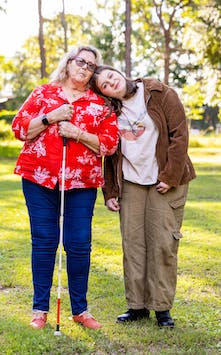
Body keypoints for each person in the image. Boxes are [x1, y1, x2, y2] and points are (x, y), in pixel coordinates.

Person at [12, 47, 119, 330]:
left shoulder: (100, 104)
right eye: (80, 62)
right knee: (45, 241)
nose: (85, 68)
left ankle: (81, 311)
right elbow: (20, 128)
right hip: (38, 178)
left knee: (79, 244)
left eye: (91, 66)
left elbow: (109, 144)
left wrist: (78, 134)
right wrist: (52, 116)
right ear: (69, 63)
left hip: (82, 183)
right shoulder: (44, 93)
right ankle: (39, 311)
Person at [89, 65, 196, 328]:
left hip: (164, 179)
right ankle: (136, 306)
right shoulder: (110, 111)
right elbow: (110, 151)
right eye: (103, 85)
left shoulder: (159, 93)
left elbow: (179, 135)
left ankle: (161, 308)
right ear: (103, 93)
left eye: (110, 76)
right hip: (131, 182)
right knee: (133, 244)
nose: (110, 83)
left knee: (162, 244)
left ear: (119, 72)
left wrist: (170, 176)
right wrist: (110, 191)